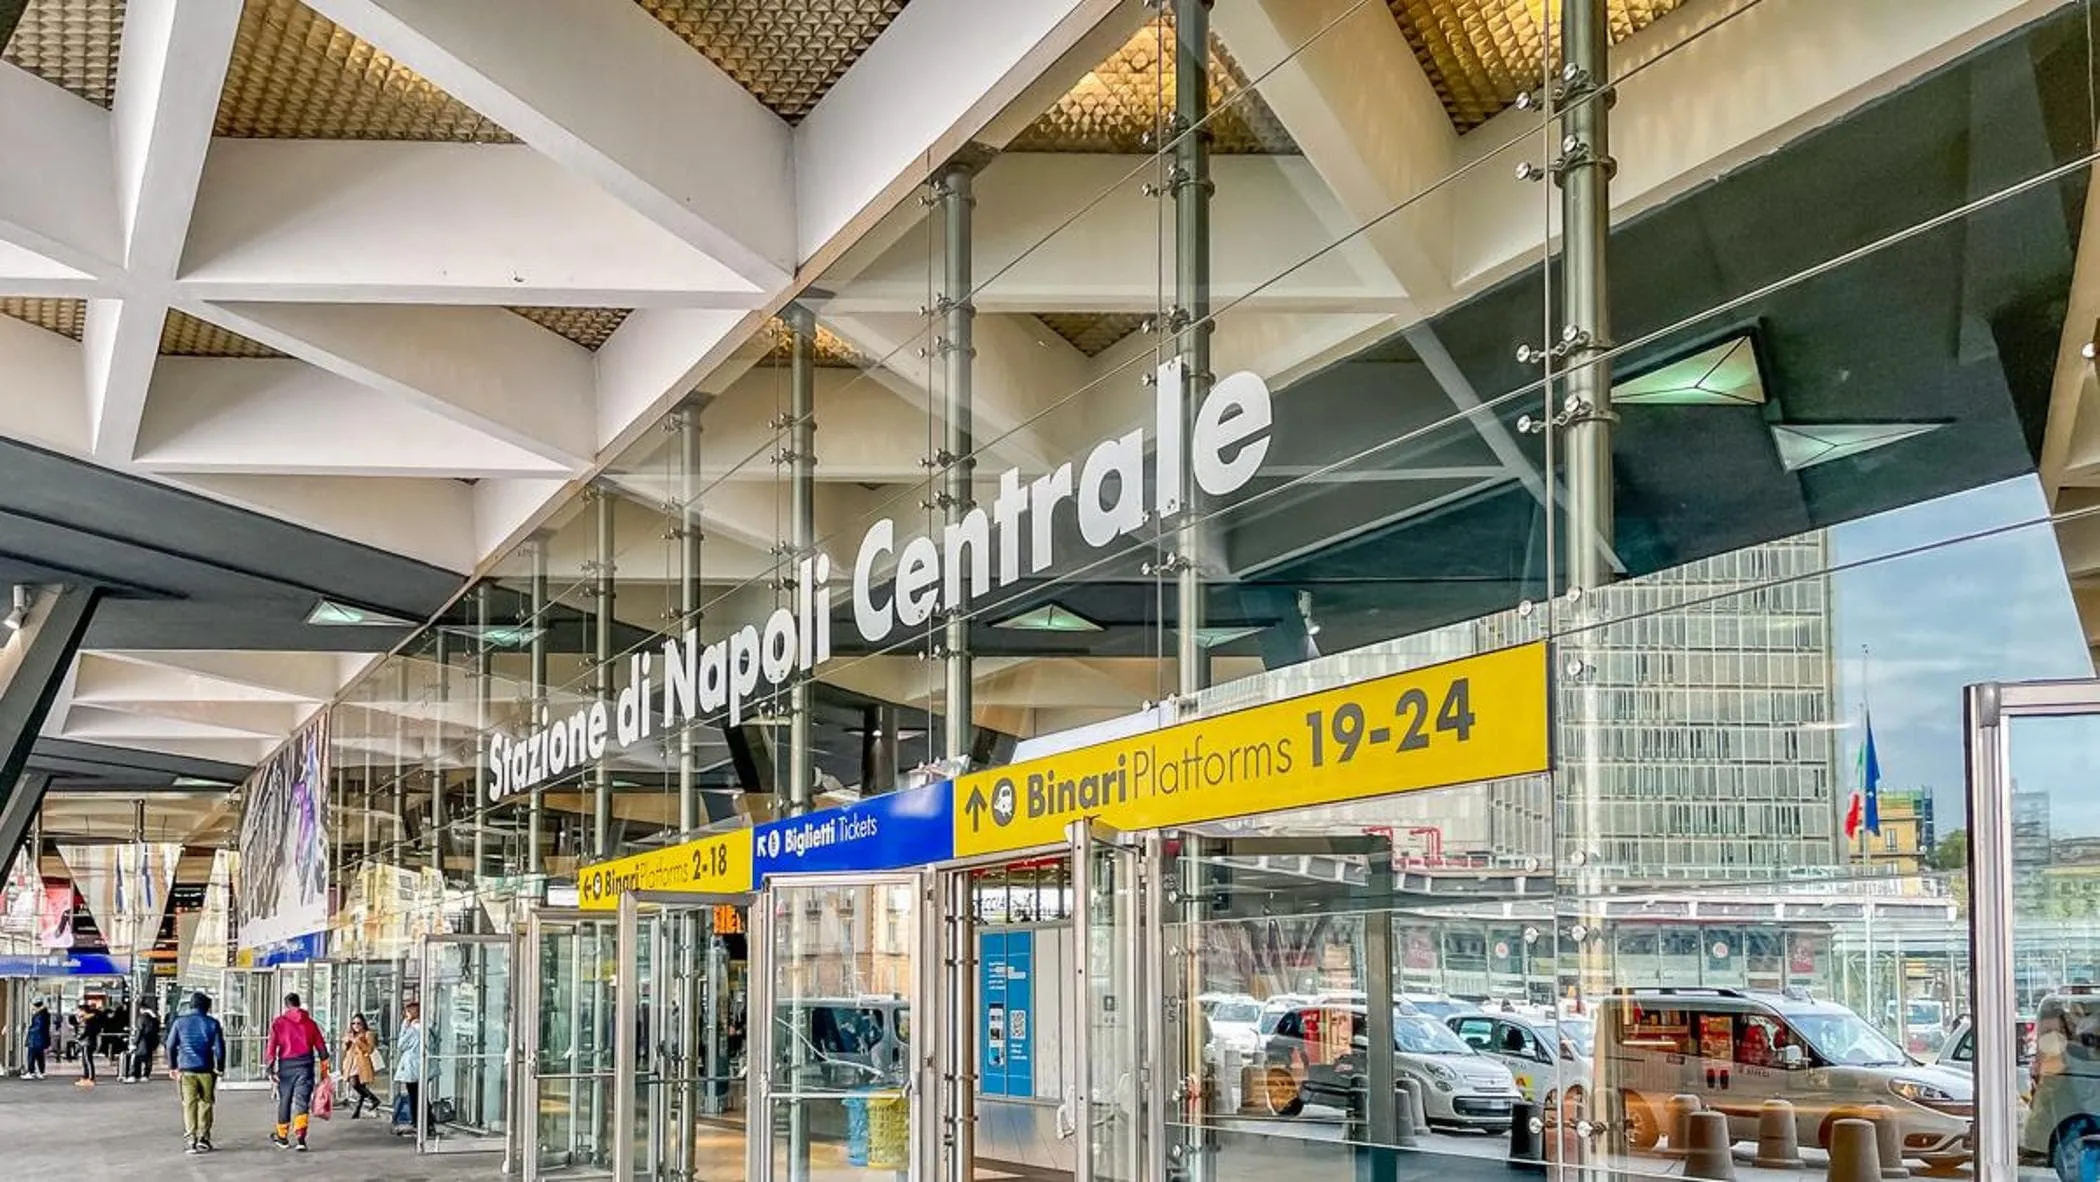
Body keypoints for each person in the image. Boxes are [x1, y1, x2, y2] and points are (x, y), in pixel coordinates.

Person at [265, 992, 331, 1151]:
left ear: (286, 1005)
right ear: (299, 1004)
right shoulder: (310, 1023)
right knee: (302, 1102)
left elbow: (272, 1047)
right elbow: (322, 1050)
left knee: (285, 1101)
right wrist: (324, 1073)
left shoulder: (279, 1023)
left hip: (286, 1068)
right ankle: (301, 1138)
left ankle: (282, 1137)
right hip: (305, 1067)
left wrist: (270, 1068)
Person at [165, 992, 226, 1155]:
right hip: (206, 1069)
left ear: (191, 1005)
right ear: (207, 1007)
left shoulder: (180, 1023)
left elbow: (170, 1045)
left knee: (189, 1104)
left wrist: (173, 1066)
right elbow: (220, 1049)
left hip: (186, 1071)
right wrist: (220, 1067)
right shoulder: (213, 1023)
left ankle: (191, 1138)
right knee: (206, 1103)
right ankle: (203, 1138)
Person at [341, 1014, 382, 1118]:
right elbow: (344, 1049)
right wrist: (347, 1042)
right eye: (353, 1023)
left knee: (355, 1084)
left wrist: (357, 1041)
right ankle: (358, 1110)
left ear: (363, 1024)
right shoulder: (350, 1034)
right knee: (360, 1086)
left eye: (358, 1023)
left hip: (362, 1064)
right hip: (351, 1063)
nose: (356, 1025)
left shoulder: (368, 1034)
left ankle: (373, 1099)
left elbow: (369, 1049)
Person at [395, 1000, 426, 1137]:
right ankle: (422, 1121)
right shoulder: (423, 1025)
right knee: (418, 1093)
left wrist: (405, 1025)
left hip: (413, 1065)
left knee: (415, 1094)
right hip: (419, 1064)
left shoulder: (414, 1027)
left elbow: (401, 1044)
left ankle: (418, 1122)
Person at [123, 999, 161, 1083]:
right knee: (148, 1059)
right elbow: (158, 1028)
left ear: (142, 1009)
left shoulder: (141, 1018)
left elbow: (139, 1031)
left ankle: (133, 1075)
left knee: (136, 1058)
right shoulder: (154, 1019)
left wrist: (134, 1042)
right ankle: (145, 1075)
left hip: (142, 1042)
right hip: (151, 1042)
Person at [24, 999, 50, 1079]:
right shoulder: (45, 1014)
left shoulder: (39, 1015)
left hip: (35, 1038)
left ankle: (31, 1072)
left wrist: (29, 1030)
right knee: (40, 1056)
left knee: (31, 1056)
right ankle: (41, 1072)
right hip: (40, 1039)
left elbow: (38, 1027)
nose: (31, 1008)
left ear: (35, 1006)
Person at [77, 1003, 102, 1083]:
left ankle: (91, 1078)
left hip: (88, 1042)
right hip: (85, 1042)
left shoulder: (91, 1019)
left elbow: (88, 1031)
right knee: (84, 1060)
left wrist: (80, 1038)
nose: (79, 1012)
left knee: (88, 1060)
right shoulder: (85, 1019)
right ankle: (86, 1076)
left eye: (80, 1010)